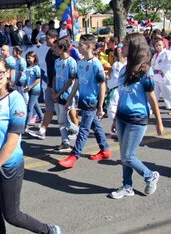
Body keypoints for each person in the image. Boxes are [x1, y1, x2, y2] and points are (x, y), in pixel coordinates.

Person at [0, 54, 61, 234]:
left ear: (7, 74)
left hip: (9, 167)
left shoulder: (16, 100)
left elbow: (13, 140)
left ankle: (49, 231)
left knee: (12, 215)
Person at [110, 33, 164, 199]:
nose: (121, 48)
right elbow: (122, 94)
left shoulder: (145, 71)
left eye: (125, 45)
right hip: (122, 117)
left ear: (133, 48)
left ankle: (150, 175)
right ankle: (127, 186)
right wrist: (114, 118)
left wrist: (158, 122)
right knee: (124, 155)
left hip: (137, 119)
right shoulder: (124, 69)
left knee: (128, 156)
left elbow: (152, 98)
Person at [59, 34, 110, 168]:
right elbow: (77, 83)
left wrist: (100, 106)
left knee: (84, 129)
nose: (77, 46)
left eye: (80, 44)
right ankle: (105, 149)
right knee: (96, 125)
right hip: (82, 100)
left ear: (88, 46)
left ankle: (74, 155)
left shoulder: (96, 64)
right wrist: (69, 99)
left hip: (91, 102)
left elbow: (102, 85)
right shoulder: (80, 63)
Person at [29, 29, 58, 140]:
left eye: (47, 38)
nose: (45, 40)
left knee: (68, 112)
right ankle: (42, 131)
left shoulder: (58, 52)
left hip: (59, 87)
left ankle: (77, 131)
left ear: (54, 38)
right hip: (50, 86)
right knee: (49, 109)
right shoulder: (49, 51)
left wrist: (55, 89)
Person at [52, 37, 78, 152]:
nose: (53, 50)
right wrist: (53, 92)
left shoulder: (71, 62)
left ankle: (78, 130)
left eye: (55, 47)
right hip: (57, 95)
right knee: (60, 120)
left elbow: (71, 80)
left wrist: (59, 93)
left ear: (62, 48)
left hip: (66, 95)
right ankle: (65, 142)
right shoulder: (57, 61)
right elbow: (54, 77)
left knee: (64, 120)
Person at [104, 45, 126, 139]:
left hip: (116, 89)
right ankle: (120, 130)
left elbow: (116, 79)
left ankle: (117, 131)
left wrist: (108, 85)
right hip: (121, 88)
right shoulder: (119, 63)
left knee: (112, 109)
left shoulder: (118, 64)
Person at [151, 38, 171, 113]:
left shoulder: (167, 53)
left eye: (159, 45)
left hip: (164, 76)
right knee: (154, 93)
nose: (158, 46)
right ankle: (153, 108)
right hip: (156, 77)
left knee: (168, 93)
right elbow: (152, 65)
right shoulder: (155, 55)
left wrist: (162, 71)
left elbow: (169, 64)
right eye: (156, 45)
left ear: (164, 45)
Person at [24, 51, 43, 128]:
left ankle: (26, 125)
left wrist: (30, 87)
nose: (28, 59)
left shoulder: (36, 67)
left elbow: (38, 80)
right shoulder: (28, 68)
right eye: (27, 58)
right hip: (29, 90)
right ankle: (42, 118)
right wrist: (25, 86)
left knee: (29, 107)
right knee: (36, 105)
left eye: (30, 58)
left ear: (34, 58)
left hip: (35, 90)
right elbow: (27, 78)